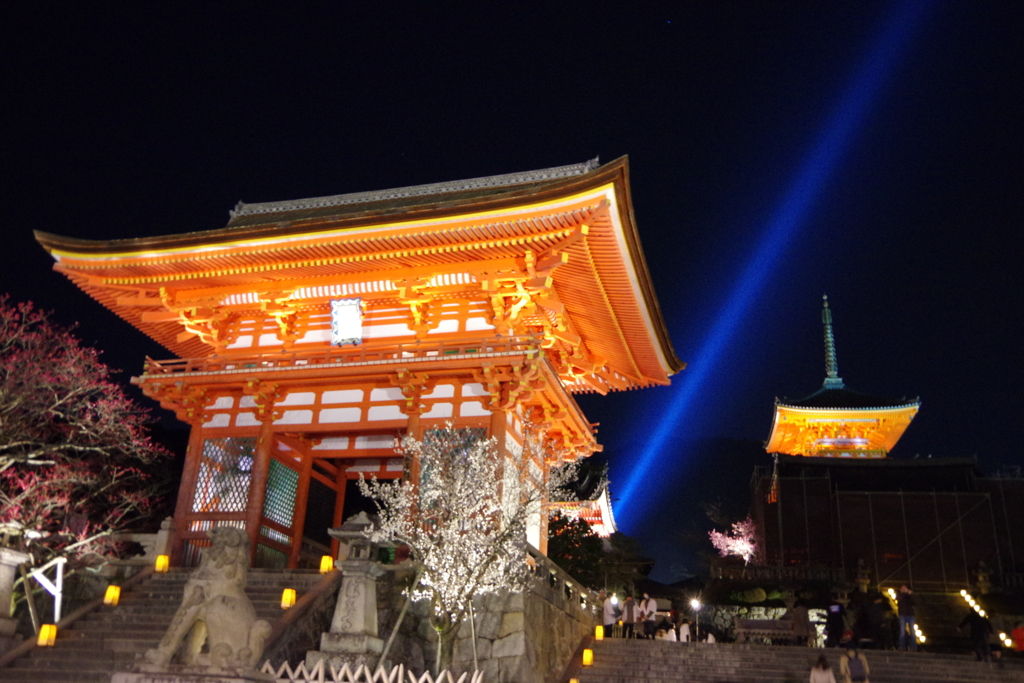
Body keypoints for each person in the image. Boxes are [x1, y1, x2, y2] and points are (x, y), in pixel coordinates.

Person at [896, 585, 917, 652]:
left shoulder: (909, 596)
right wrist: (904, 593)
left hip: (910, 615)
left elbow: (915, 603)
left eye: (905, 588)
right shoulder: (899, 595)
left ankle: (913, 647)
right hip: (902, 615)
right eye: (902, 588)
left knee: (912, 632)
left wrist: (911, 595)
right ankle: (902, 647)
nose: (904, 589)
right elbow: (898, 600)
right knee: (902, 631)